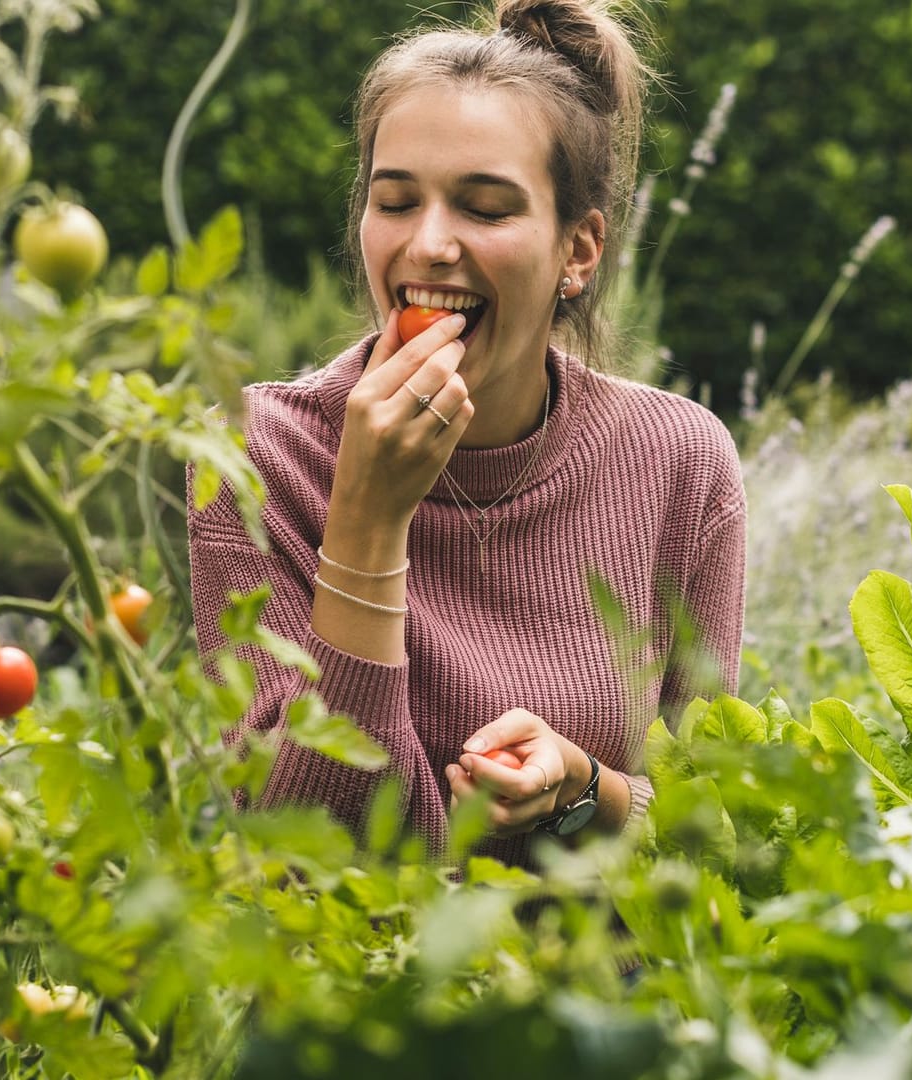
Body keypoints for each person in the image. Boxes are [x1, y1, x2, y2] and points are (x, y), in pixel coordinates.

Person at [187, 0, 745, 868]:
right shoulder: (255, 457)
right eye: (396, 200)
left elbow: (715, 827)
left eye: (485, 209)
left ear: (579, 251)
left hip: (609, 990)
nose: (431, 245)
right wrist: (368, 520)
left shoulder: (679, 462)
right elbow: (296, 860)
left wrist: (584, 791)